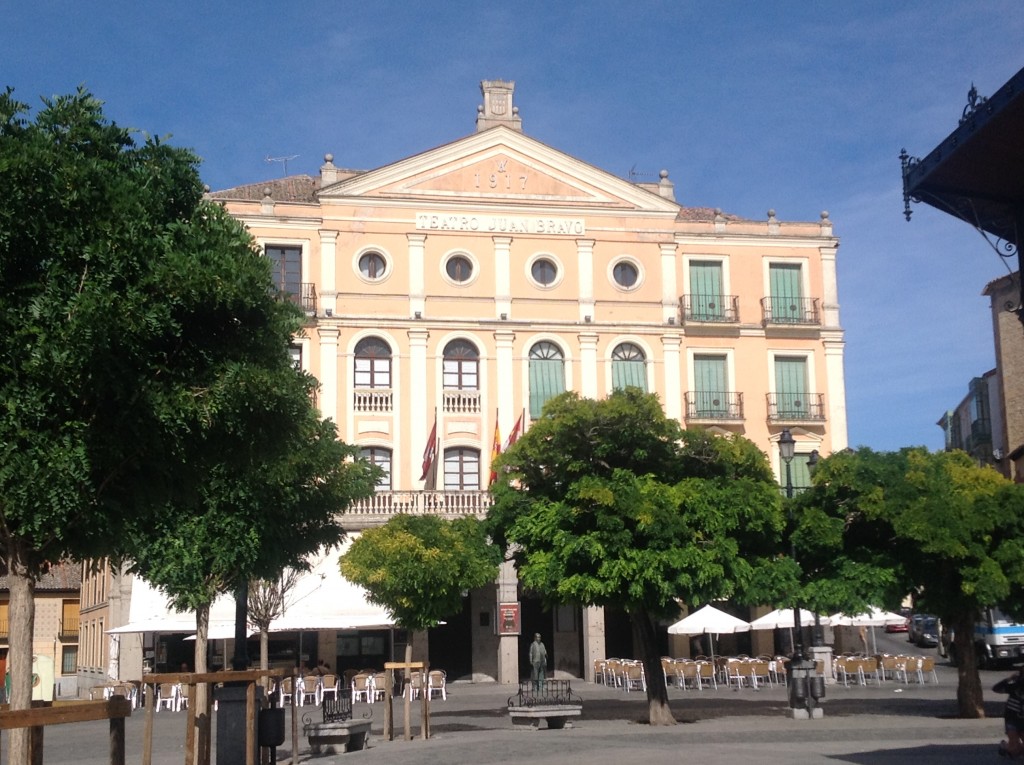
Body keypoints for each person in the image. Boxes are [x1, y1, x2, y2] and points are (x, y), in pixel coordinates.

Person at [993, 663, 1024, 758]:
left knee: (1017, 751)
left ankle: (1018, 749)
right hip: (1013, 719)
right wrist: (1009, 679)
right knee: (1014, 750)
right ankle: (1005, 746)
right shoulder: (1015, 685)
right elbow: (996, 688)